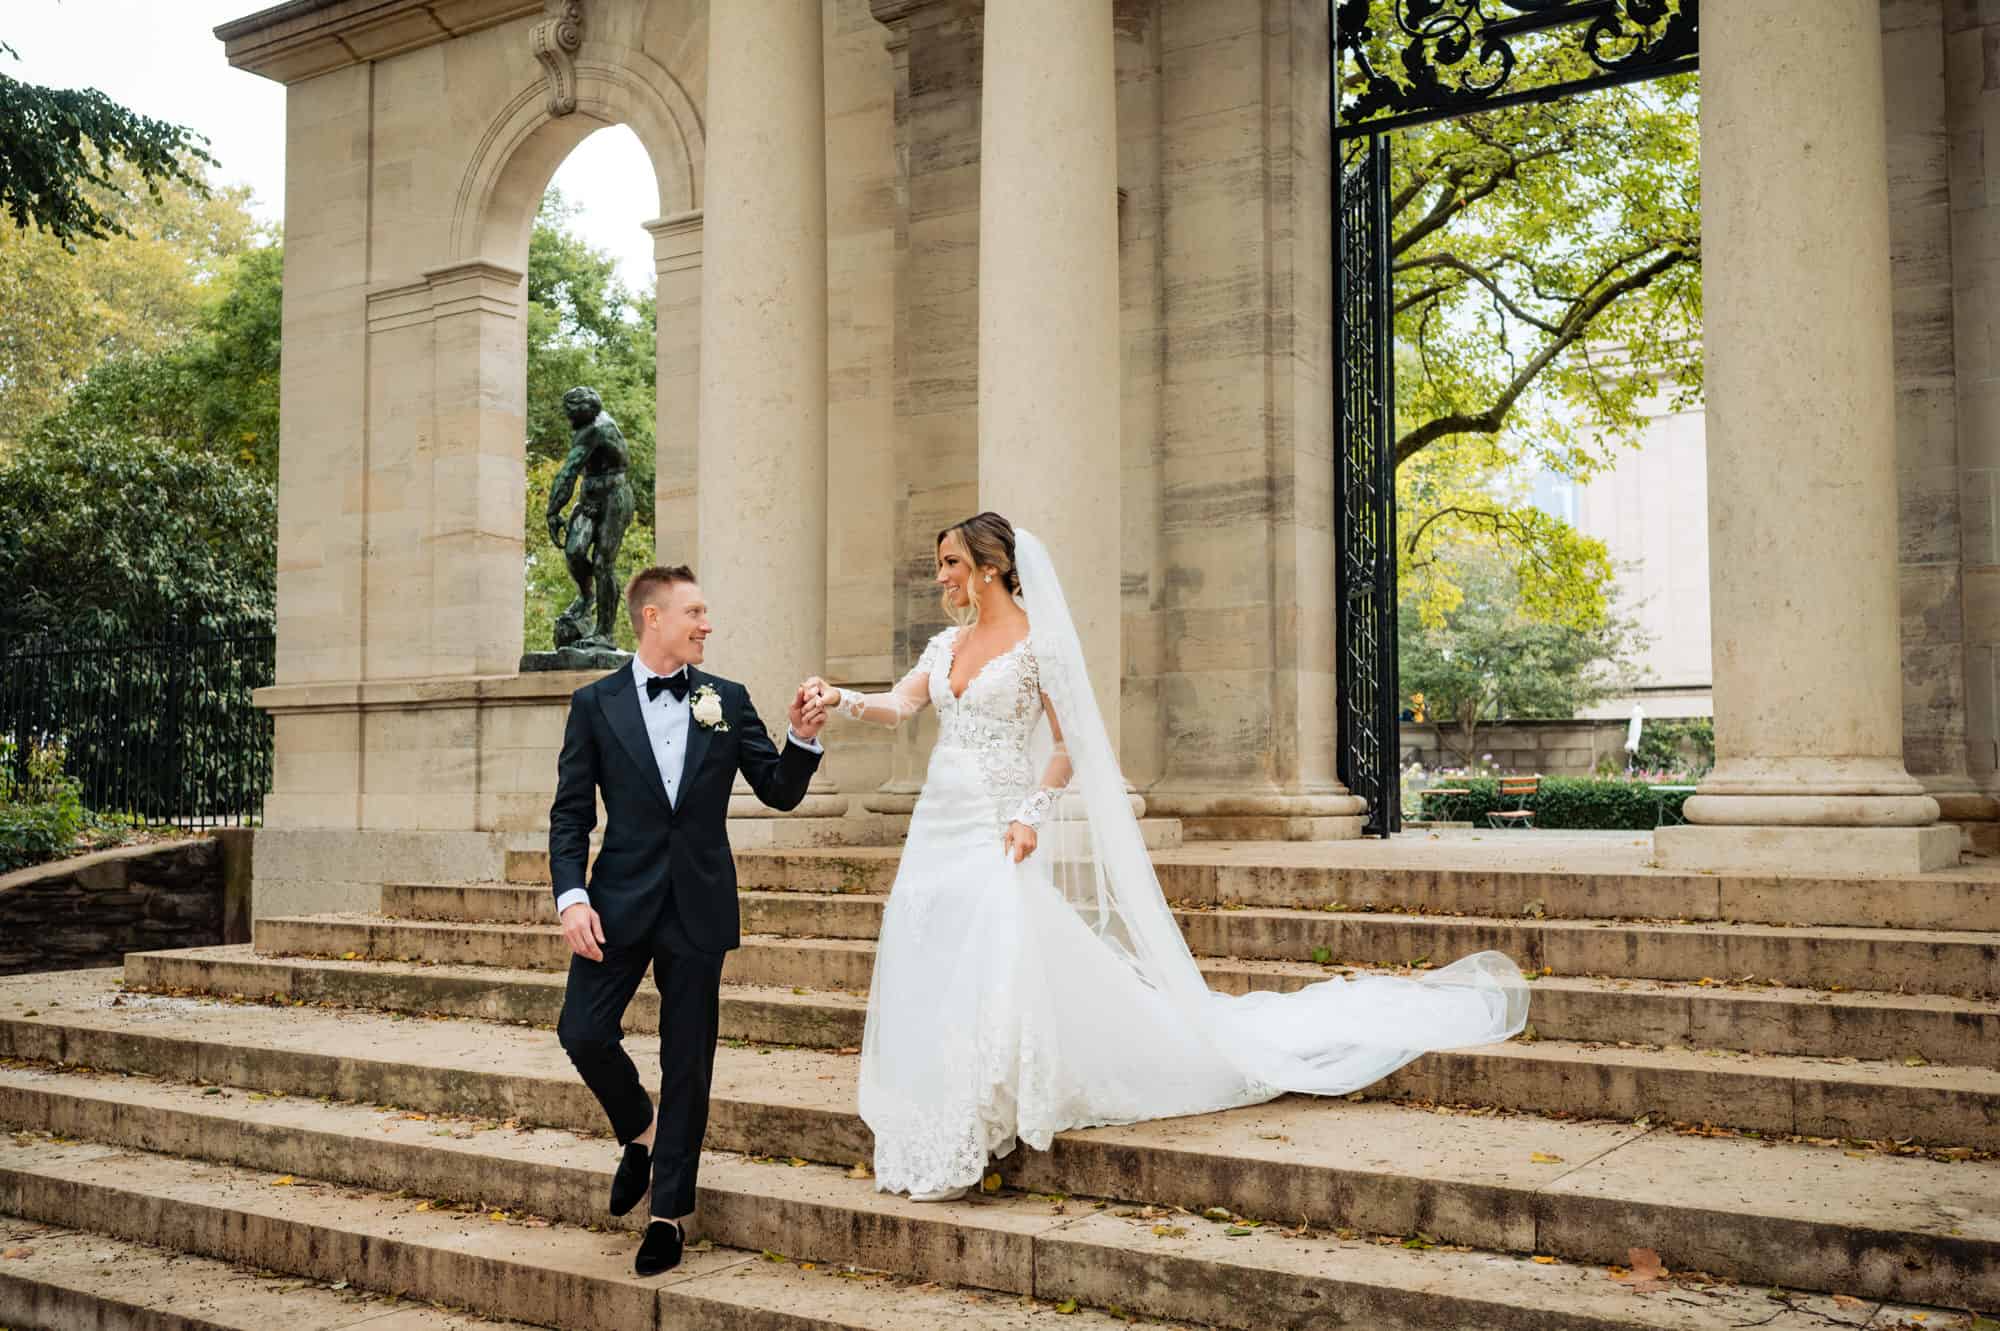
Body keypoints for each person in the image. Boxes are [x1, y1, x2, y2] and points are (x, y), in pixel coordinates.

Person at [806, 513, 1528, 1202]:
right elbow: (899, 707)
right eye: (940, 566)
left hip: (998, 826)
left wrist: (1032, 815)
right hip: (938, 823)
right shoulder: (945, 646)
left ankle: (979, 1111)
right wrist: (836, 696)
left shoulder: (1037, 646)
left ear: (991, 569)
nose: (941, 578)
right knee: (936, 950)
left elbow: (1066, 749)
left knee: (991, 951)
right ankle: (937, 1097)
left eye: (952, 564)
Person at [549, 564, 827, 1274]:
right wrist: (571, 895)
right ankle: (638, 1128)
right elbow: (571, 812)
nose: (707, 623)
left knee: (689, 1061)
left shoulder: (726, 700)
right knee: (581, 1030)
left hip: (699, 907)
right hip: (615, 901)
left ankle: (668, 1212)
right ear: (653, 618)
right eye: (695, 611)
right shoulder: (595, 704)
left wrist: (800, 739)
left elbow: (778, 790)